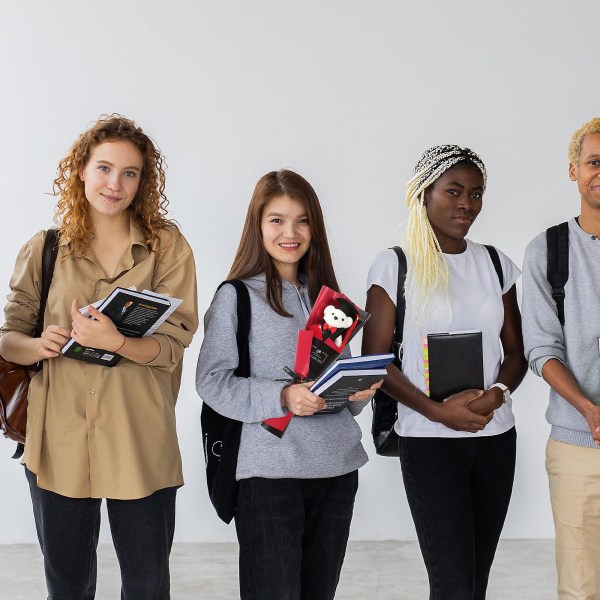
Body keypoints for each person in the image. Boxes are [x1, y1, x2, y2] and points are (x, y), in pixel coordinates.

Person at [0, 115, 198, 599]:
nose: (115, 184)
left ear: (142, 181)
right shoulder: (44, 249)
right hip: (58, 438)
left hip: (138, 435)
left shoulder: (165, 247)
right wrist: (39, 344)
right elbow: (8, 338)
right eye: (105, 168)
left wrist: (118, 343)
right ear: (81, 170)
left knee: (147, 584)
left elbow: (175, 344)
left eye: (130, 173)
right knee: (66, 585)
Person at [195, 169, 379, 600]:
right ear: (257, 226)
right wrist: (282, 395)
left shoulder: (327, 300)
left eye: (302, 220)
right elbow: (212, 381)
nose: (290, 232)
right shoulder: (236, 296)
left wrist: (357, 393)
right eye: (276, 220)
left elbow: (337, 395)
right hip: (268, 476)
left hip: (336, 470)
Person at [362, 145, 527, 600]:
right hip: (429, 443)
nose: (466, 204)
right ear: (423, 194)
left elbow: (516, 353)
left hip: (494, 439)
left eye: (476, 194)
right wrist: (437, 412)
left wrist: (496, 394)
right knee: (452, 584)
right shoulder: (395, 264)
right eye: (453, 191)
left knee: (475, 582)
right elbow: (375, 359)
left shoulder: (496, 264)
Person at [522, 117, 600, 599]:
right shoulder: (548, 251)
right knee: (581, 584)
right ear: (574, 170)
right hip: (577, 447)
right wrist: (589, 411)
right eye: (594, 161)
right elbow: (541, 348)